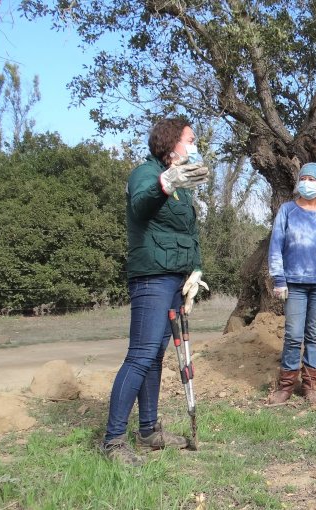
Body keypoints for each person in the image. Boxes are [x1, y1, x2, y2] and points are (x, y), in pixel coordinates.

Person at [101, 118, 211, 466]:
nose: (194, 145)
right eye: (190, 139)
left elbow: (185, 233)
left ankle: (148, 430)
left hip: (175, 279)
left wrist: (195, 269)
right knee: (140, 355)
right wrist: (165, 181)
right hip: (152, 277)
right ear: (172, 142)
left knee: (155, 357)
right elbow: (141, 205)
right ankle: (113, 441)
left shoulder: (183, 188)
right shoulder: (145, 174)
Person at [266, 162, 316, 406]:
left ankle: (310, 386)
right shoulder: (287, 210)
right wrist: (279, 279)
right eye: (304, 178)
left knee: (314, 334)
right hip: (294, 282)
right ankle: (286, 386)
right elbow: (276, 245)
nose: (307, 183)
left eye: (313, 179)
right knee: (293, 334)